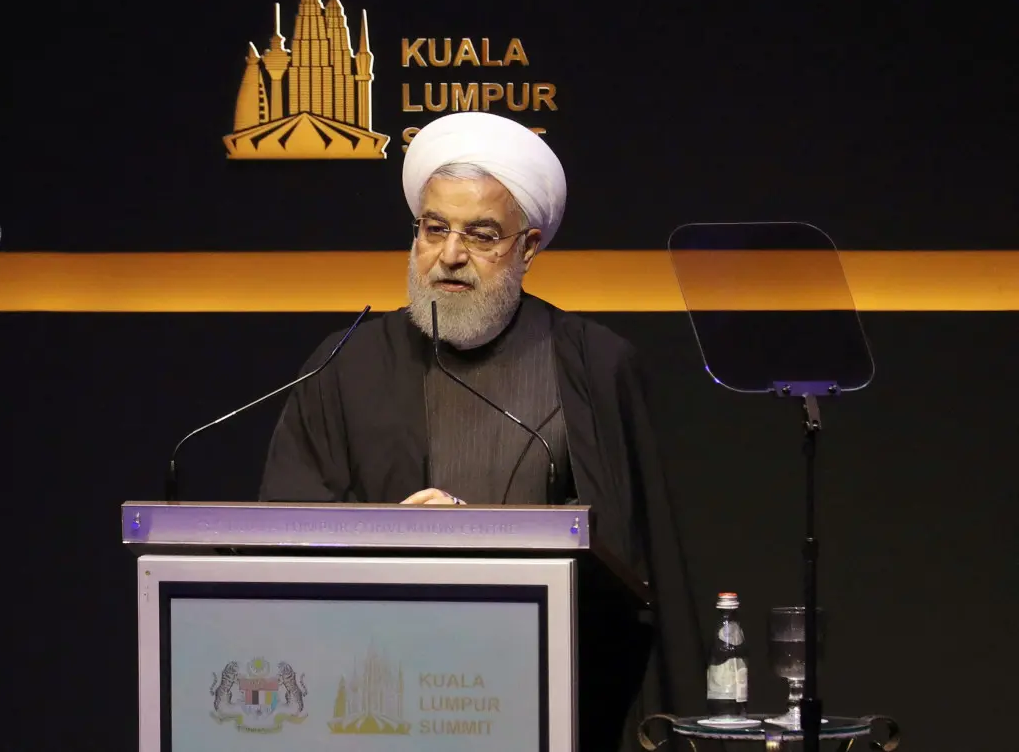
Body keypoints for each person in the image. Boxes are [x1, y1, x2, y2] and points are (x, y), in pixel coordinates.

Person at [258, 111, 706, 750]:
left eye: (482, 234)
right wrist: (386, 535)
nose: (450, 255)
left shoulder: (594, 362)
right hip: (368, 696)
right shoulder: (345, 362)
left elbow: (634, 566)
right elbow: (285, 525)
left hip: (547, 697)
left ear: (530, 246)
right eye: (433, 228)